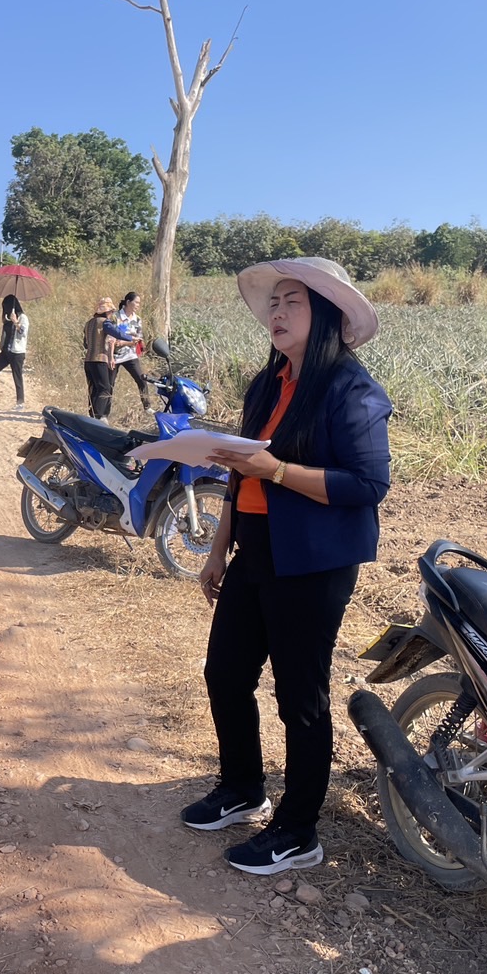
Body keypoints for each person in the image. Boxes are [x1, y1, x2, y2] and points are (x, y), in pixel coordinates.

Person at [183, 257, 392, 876]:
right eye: (272, 302)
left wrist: (275, 472)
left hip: (314, 563)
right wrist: (219, 548)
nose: (276, 312)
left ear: (325, 313)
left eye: (291, 301)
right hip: (255, 549)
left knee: (299, 698)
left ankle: (299, 831)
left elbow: (367, 483)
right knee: (224, 673)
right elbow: (237, 473)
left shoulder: (352, 391)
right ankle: (243, 789)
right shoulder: (267, 385)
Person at [111, 291, 156, 412]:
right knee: (110, 383)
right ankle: (104, 411)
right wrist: (123, 342)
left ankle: (147, 407)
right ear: (128, 302)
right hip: (114, 356)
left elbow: (138, 338)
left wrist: (125, 342)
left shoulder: (137, 319)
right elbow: (111, 338)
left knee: (141, 379)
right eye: (136, 302)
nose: (138, 305)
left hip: (130, 355)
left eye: (139, 303)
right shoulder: (115, 317)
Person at [82, 297, 119, 420]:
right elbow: (116, 335)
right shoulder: (105, 323)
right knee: (104, 388)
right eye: (111, 311)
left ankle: (91, 415)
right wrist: (130, 339)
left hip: (88, 360)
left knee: (93, 388)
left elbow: (85, 344)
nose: (112, 314)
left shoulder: (89, 323)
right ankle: (97, 417)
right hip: (100, 359)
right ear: (107, 312)